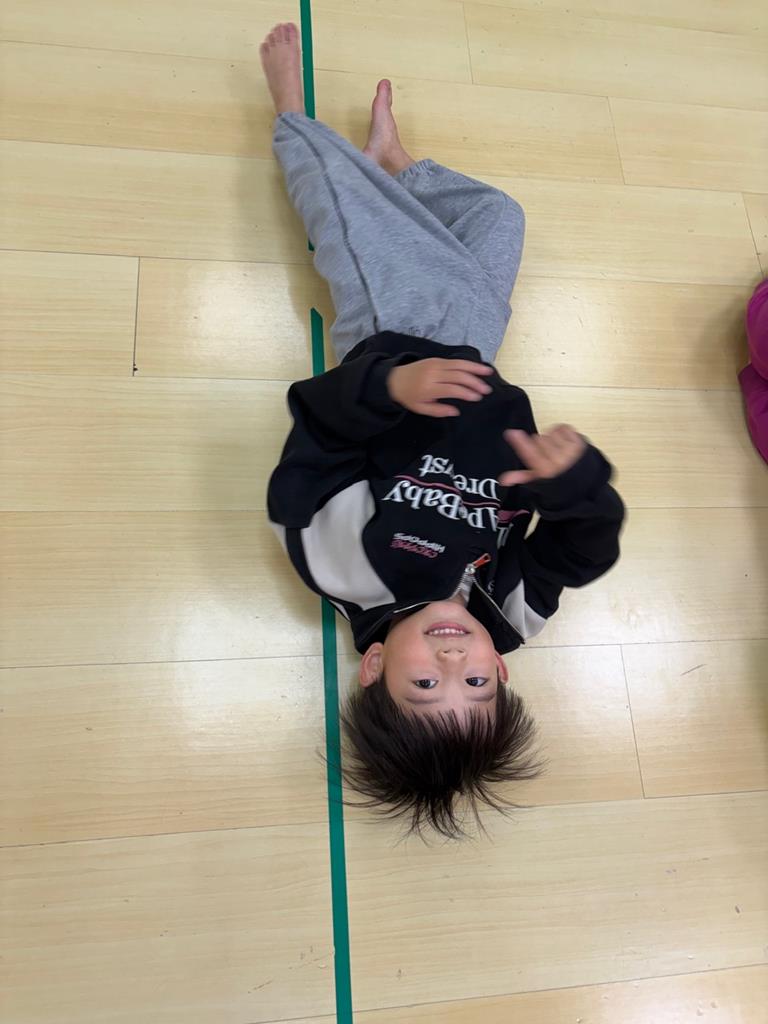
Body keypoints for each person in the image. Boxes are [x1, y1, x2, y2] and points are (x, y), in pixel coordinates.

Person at [261, 23, 625, 837]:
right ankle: (396, 166)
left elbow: (316, 428)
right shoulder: (508, 617)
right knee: (498, 217)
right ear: (503, 673)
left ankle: (290, 114)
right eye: (477, 685)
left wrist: (391, 384)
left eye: (426, 686)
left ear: (374, 666)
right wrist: (574, 489)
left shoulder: (342, 567)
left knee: (340, 203)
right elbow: (583, 551)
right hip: (478, 358)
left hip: (393, 332)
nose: (456, 662)